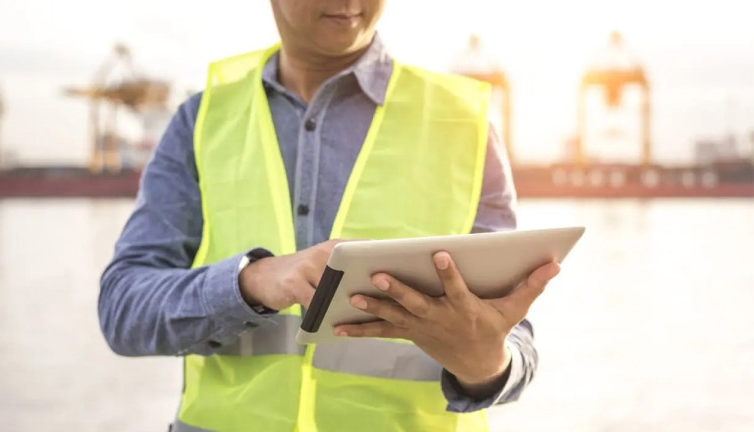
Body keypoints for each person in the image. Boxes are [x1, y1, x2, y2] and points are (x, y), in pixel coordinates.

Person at [99, 1, 561, 431]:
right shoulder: (201, 121)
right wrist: (254, 281)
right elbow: (123, 311)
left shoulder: (463, 123)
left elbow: (512, 344)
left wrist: (486, 364)